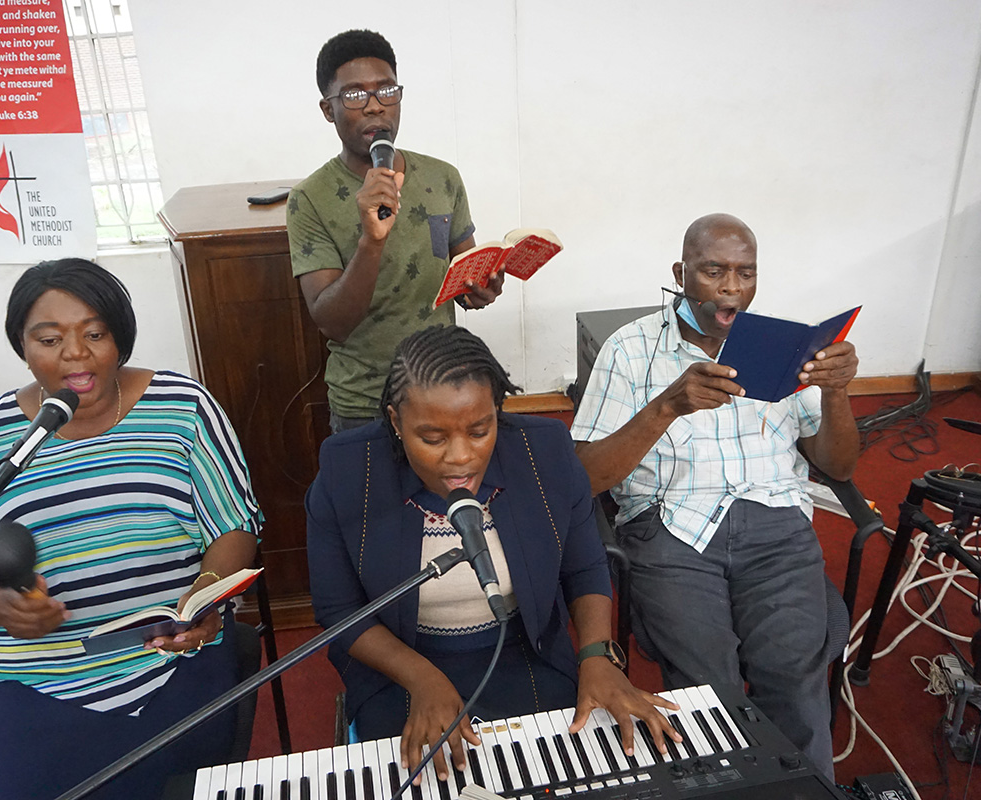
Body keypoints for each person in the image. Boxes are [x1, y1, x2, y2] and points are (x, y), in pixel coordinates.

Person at [0, 258, 263, 800]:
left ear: (120, 336)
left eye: (95, 333)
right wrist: (6, 608)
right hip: (31, 675)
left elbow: (235, 526)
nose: (76, 352)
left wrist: (203, 597)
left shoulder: (185, 408)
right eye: (49, 339)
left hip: (168, 655)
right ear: (22, 347)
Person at [306, 324, 681, 781]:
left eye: (480, 430)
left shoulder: (543, 451)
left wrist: (596, 656)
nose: (461, 457)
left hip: (528, 651)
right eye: (433, 438)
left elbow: (584, 567)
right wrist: (422, 679)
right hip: (399, 665)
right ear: (394, 421)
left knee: (575, 774)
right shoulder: (349, 470)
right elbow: (339, 608)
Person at [570, 213, 860, 780]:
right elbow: (585, 477)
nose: (732, 287)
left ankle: (804, 792)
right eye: (714, 271)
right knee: (707, 686)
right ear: (681, 273)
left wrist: (837, 393)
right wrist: (666, 407)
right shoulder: (629, 351)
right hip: (671, 529)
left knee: (794, 672)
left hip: (776, 526)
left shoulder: (784, 345)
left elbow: (838, 464)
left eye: (745, 273)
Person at [287, 29, 504, 435]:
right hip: (365, 403)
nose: (374, 107)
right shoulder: (309, 199)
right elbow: (332, 322)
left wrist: (482, 288)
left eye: (386, 90)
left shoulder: (443, 178)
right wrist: (372, 239)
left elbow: (465, 277)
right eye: (354, 95)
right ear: (328, 109)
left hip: (443, 390)